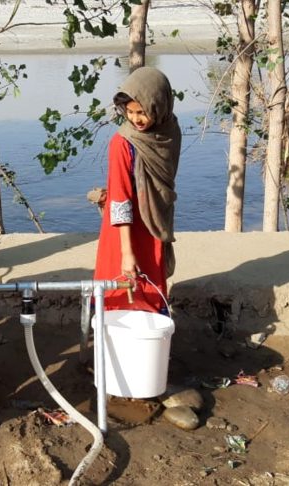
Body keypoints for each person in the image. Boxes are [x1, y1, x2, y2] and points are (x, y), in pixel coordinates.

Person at [93, 67, 181, 313]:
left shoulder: (169, 131)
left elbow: (163, 182)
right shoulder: (122, 144)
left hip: (153, 224)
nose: (135, 119)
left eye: (141, 112)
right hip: (124, 232)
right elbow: (120, 201)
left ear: (159, 106)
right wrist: (126, 253)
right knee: (120, 293)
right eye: (129, 112)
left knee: (151, 293)